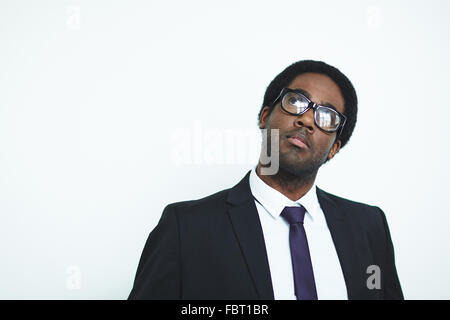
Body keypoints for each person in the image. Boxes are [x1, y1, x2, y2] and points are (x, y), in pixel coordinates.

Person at [128, 60, 403, 300]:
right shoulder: (185, 228)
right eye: (296, 101)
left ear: (334, 147)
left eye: (326, 116)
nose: (307, 120)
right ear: (264, 116)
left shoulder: (369, 227)